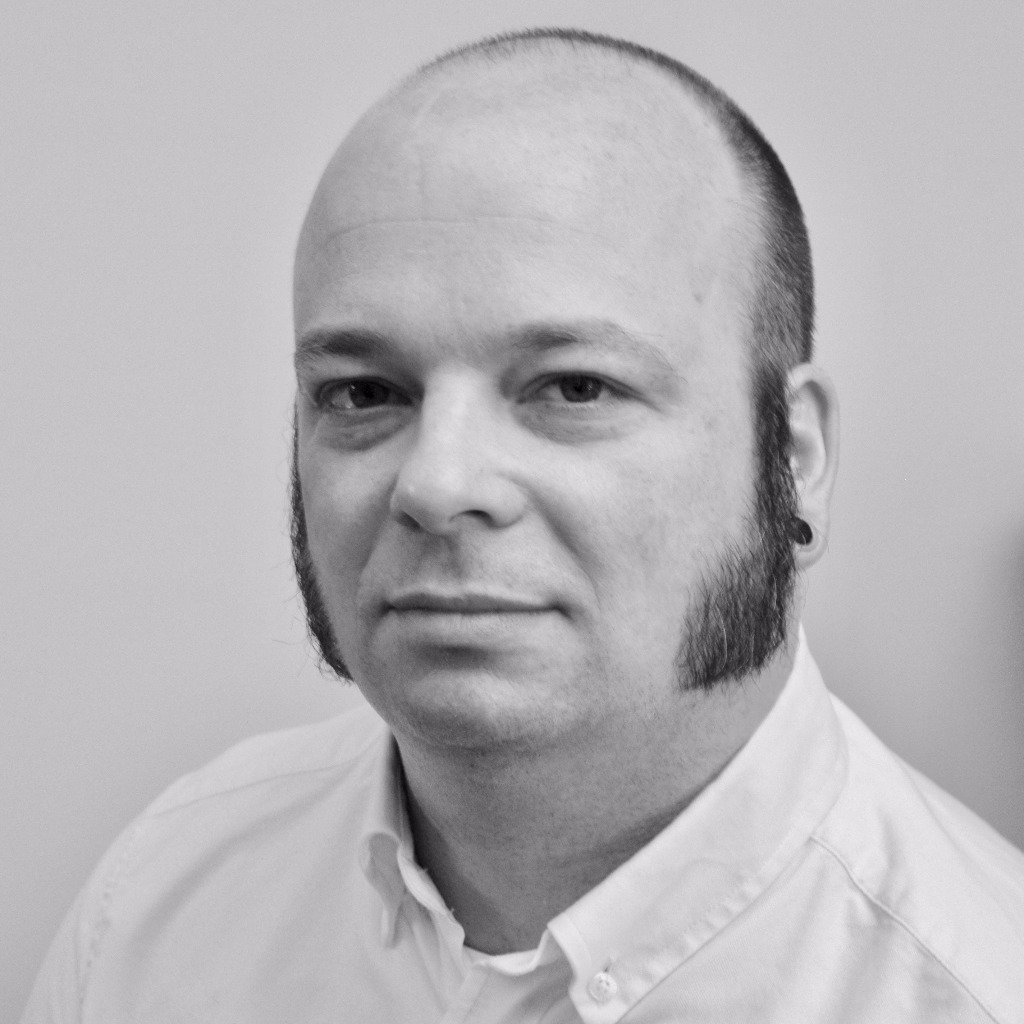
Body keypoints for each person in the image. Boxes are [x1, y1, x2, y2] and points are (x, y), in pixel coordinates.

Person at [23, 28, 1024, 1024]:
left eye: (574, 387)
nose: (436, 483)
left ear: (794, 456)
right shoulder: (158, 908)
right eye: (363, 391)